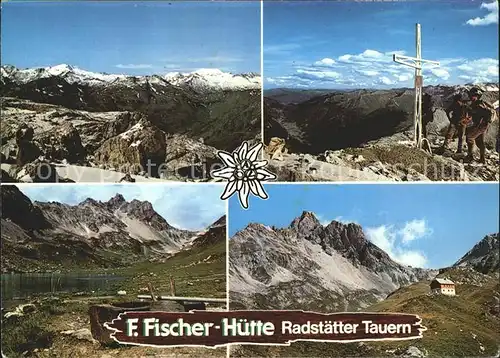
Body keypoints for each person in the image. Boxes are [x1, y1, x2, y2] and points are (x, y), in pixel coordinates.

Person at [465, 87, 495, 164]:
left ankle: (470, 156)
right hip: (482, 125)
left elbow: (483, 115)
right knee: (480, 142)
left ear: (477, 96)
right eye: (471, 95)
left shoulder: (479, 104)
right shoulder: (475, 104)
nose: (471, 97)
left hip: (480, 125)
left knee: (469, 137)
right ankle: (482, 159)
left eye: (473, 96)